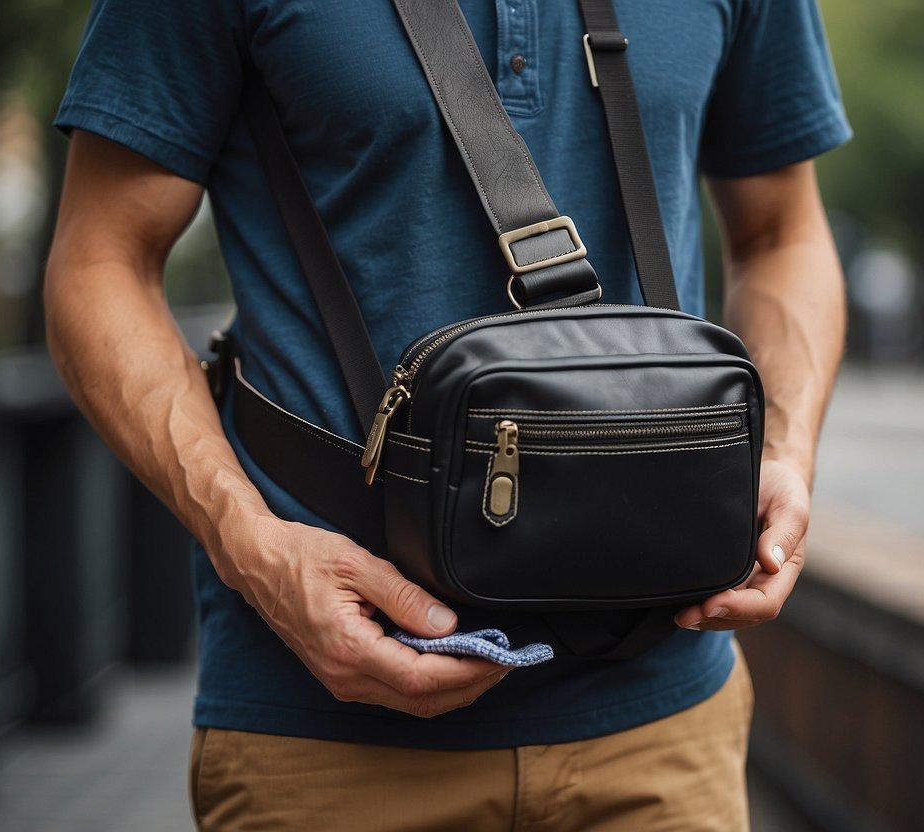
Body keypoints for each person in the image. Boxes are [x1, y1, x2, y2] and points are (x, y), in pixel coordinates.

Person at [45, 0, 849, 828]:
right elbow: (99, 262)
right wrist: (251, 545)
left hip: (667, 726)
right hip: (325, 735)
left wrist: (783, 452)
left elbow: (782, 233)